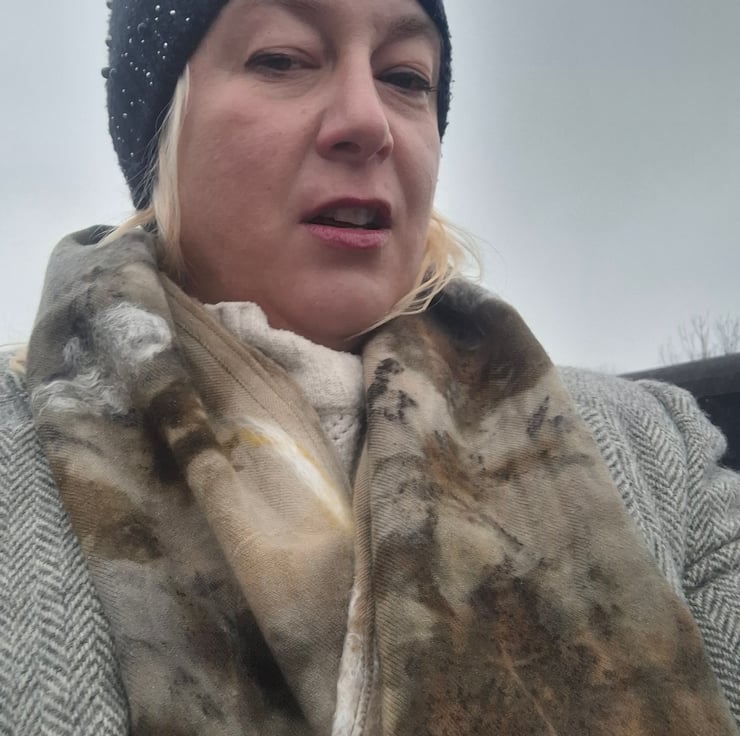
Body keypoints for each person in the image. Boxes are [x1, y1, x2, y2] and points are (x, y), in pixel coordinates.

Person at [1, 0, 738, 733]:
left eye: (406, 78)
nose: (368, 120)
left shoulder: (655, 452)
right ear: (162, 128)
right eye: (281, 59)